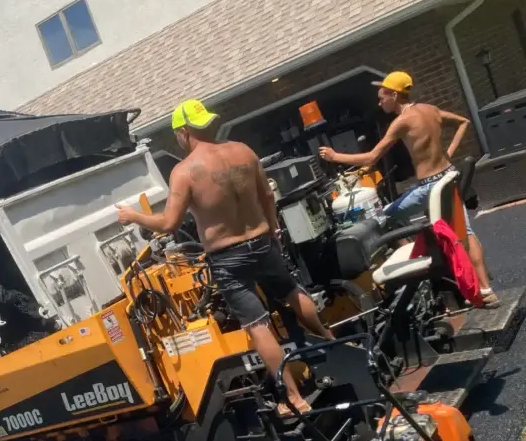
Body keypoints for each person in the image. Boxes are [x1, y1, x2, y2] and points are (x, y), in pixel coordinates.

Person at [116, 98, 335, 414]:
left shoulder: (184, 172)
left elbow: (168, 223)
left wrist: (133, 216)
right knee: (292, 293)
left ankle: (295, 398)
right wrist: (273, 228)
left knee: (258, 325)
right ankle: (333, 341)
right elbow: (268, 194)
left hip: (227, 256)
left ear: (183, 132)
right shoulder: (243, 151)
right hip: (261, 240)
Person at [318, 71, 498, 307]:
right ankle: (486, 289)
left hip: (429, 188)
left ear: (394, 94)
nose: (379, 102)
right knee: (466, 232)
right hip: (448, 177)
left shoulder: (401, 121)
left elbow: (371, 158)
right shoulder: (430, 110)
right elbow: (463, 122)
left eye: (382, 97)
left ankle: (415, 273)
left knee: (381, 219)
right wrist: (448, 154)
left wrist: (334, 156)